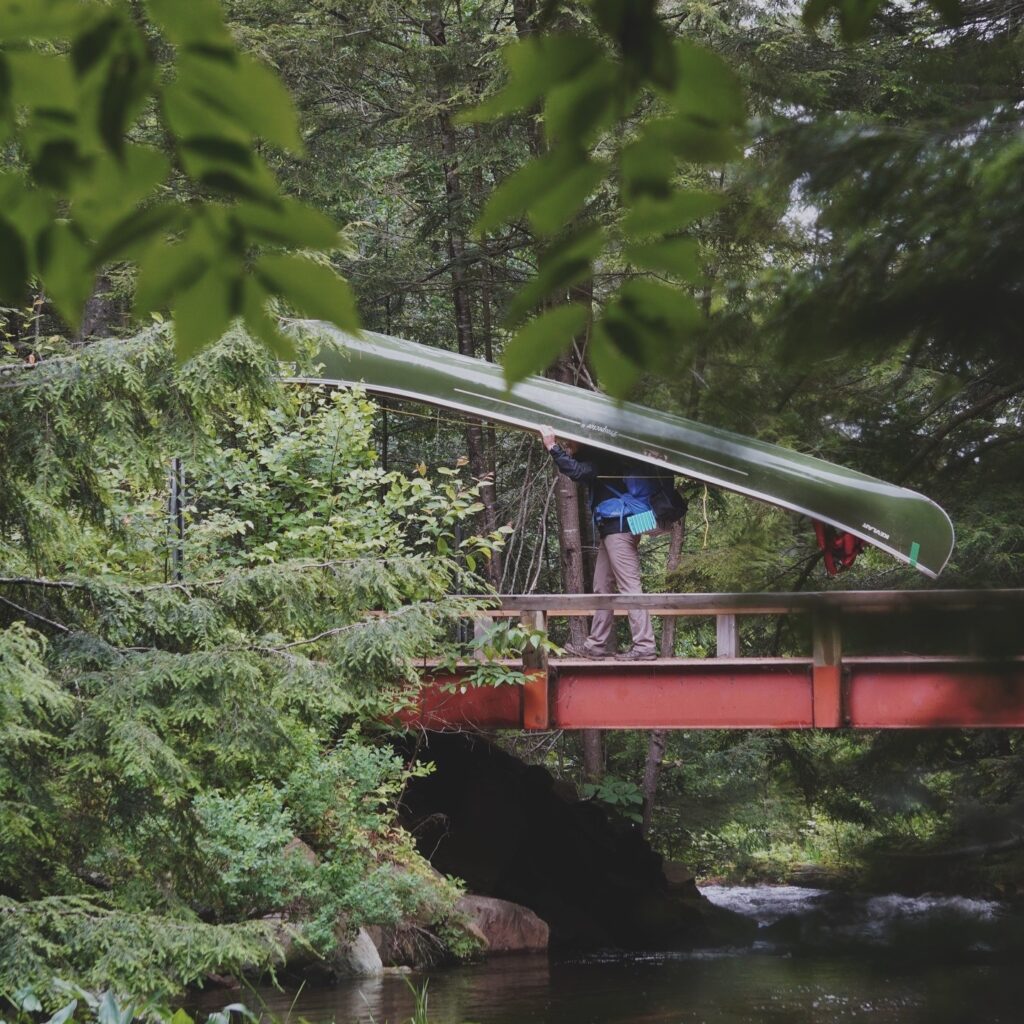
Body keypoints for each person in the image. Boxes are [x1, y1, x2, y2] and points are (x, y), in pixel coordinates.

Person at [539, 426, 656, 661]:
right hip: (612, 529)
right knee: (602, 587)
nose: (569, 448)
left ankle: (644, 645)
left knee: (629, 586)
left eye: (571, 443)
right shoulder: (597, 457)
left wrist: (553, 447)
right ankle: (596, 645)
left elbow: (578, 472)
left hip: (620, 528)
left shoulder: (602, 456)